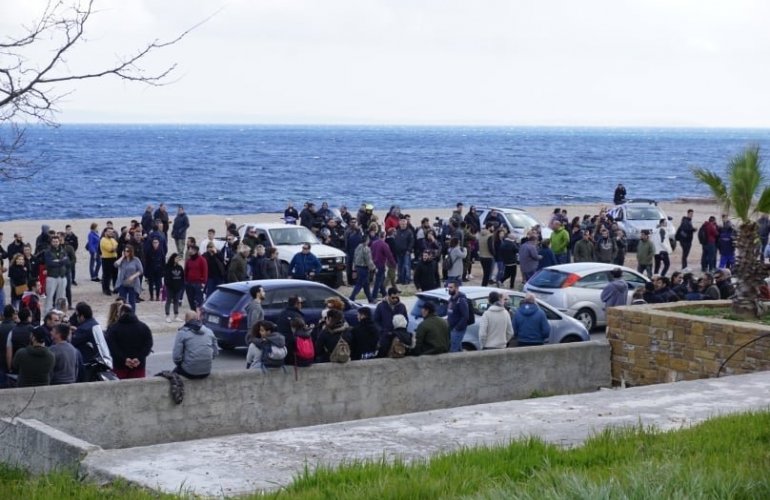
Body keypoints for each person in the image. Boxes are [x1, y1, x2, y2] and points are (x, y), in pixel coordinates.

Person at [106, 305, 153, 379]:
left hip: (119, 366)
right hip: (138, 366)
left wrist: (124, 359)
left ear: (121, 313)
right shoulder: (144, 327)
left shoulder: (114, 329)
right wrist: (138, 358)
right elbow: (148, 345)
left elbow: (112, 347)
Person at [71, 302, 112, 380]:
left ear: (82, 316)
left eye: (77, 315)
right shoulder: (95, 324)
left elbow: (72, 342)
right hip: (101, 360)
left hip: (89, 363)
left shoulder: (83, 329)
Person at [172, 311, 218, 379]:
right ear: (197, 318)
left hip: (189, 372)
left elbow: (176, 357)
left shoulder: (182, 332)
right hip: (206, 371)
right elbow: (215, 353)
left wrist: (182, 364)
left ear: (186, 320)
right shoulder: (209, 331)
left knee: (172, 376)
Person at [374, 287, 408, 356]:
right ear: (388, 296)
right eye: (393, 298)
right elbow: (376, 321)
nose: (395, 299)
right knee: (383, 354)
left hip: (398, 336)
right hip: (385, 336)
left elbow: (406, 320)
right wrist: (381, 331)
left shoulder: (401, 306)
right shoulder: (381, 306)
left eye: (397, 297)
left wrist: (402, 331)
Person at [43, 234, 70, 314]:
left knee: (61, 296)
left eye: (57, 241)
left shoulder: (63, 250)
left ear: (59, 242)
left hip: (62, 276)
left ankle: (59, 312)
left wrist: (58, 261)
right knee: (49, 296)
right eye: (54, 241)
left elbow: (67, 261)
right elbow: (49, 263)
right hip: (52, 276)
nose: (55, 243)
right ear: (51, 242)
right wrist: (61, 262)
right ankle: (47, 313)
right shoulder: (47, 252)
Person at [115, 246, 143, 311]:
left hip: (133, 284)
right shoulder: (122, 260)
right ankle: (121, 314)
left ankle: (132, 315)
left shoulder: (136, 260)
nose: (126, 252)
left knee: (132, 301)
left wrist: (133, 276)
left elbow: (141, 270)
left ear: (131, 252)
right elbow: (115, 265)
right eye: (125, 251)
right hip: (123, 283)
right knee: (121, 301)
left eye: (127, 251)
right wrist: (122, 257)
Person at [446, 279, 470, 352]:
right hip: (451, 328)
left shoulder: (461, 300)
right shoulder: (451, 299)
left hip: (457, 329)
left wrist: (457, 327)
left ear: (456, 288)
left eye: (451, 287)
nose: (449, 290)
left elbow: (465, 316)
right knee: (457, 349)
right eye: (448, 288)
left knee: (452, 350)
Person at [349, 235, 375, 303]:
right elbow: (368, 260)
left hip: (358, 267)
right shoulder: (366, 249)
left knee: (366, 285)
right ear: (367, 240)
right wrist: (373, 268)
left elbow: (354, 258)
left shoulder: (357, 247)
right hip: (364, 268)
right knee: (359, 284)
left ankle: (370, 299)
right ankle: (351, 298)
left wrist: (354, 269)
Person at [184, 245, 208, 311]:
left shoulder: (202, 260)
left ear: (195, 251)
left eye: (190, 249)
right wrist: (185, 282)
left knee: (199, 301)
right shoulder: (189, 261)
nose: (189, 251)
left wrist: (203, 283)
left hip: (198, 283)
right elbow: (186, 271)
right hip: (189, 283)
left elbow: (205, 271)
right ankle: (193, 313)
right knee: (191, 300)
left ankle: (199, 315)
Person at [100, 228, 119, 295]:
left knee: (115, 274)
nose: (111, 233)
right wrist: (115, 247)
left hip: (114, 258)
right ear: (105, 232)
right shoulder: (103, 240)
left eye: (112, 232)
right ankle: (106, 289)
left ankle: (115, 288)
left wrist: (115, 247)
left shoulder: (113, 239)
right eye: (109, 232)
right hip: (106, 259)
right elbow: (110, 249)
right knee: (107, 275)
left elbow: (117, 247)